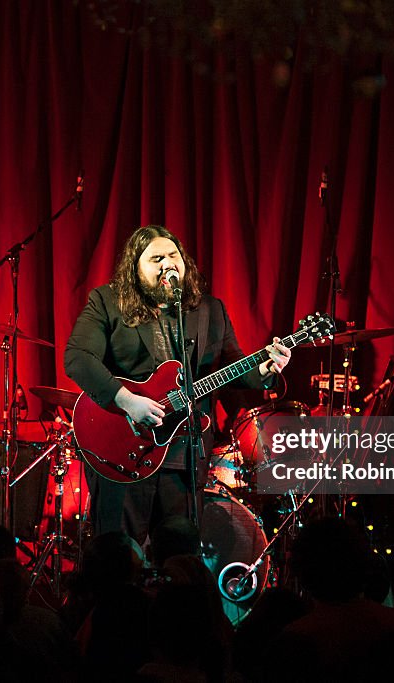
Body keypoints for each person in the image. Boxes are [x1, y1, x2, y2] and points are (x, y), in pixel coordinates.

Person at [64, 225, 290, 545]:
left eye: (173, 256)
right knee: (118, 556)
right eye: (156, 258)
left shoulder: (211, 310)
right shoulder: (107, 302)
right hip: (123, 448)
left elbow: (232, 368)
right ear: (136, 268)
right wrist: (128, 400)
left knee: (180, 557)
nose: (168, 263)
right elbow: (77, 358)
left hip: (184, 458)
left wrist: (264, 368)